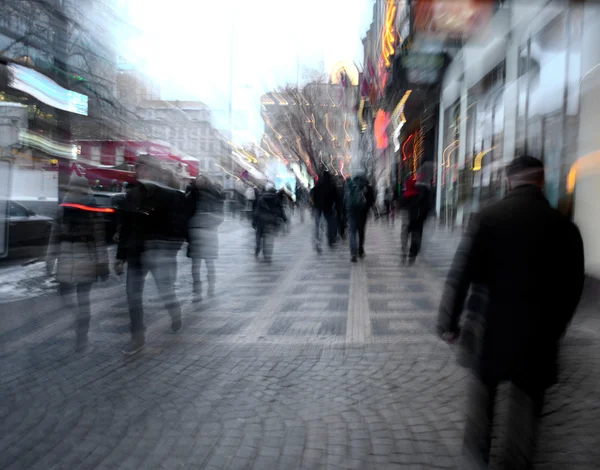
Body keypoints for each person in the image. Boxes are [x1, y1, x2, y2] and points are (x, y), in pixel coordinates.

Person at [437, 156, 585, 469]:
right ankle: (517, 462)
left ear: (508, 181)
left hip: (489, 331)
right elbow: (573, 288)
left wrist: (448, 323)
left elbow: (460, 274)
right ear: (542, 182)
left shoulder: (488, 218)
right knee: (527, 412)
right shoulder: (564, 227)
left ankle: (478, 457)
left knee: (482, 404)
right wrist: (555, 329)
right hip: (538, 337)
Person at [115, 157, 192, 355]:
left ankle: (175, 313)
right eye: (138, 169)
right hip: (136, 252)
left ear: (154, 171)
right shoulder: (132, 194)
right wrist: (120, 256)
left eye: (144, 169)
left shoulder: (170, 196)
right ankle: (137, 337)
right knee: (133, 296)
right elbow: (126, 228)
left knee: (165, 290)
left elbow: (181, 225)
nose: (140, 172)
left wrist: (170, 246)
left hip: (160, 252)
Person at [46, 174, 109, 351]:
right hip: (69, 256)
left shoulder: (89, 208)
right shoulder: (63, 208)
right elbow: (54, 236)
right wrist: (50, 259)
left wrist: (102, 263)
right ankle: (80, 320)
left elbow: (99, 238)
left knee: (81, 298)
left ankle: (81, 333)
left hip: (83, 256)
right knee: (68, 294)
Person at [187, 175, 224, 302]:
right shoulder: (191, 195)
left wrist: (210, 221)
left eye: (201, 181)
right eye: (197, 181)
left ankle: (210, 287)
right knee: (196, 264)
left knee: (209, 262)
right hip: (196, 232)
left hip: (208, 232)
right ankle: (197, 290)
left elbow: (220, 215)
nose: (199, 183)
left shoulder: (213, 195)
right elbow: (185, 213)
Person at [399, 170, 431, 265]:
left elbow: (402, 202)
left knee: (405, 234)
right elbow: (427, 205)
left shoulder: (407, 189)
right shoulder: (422, 190)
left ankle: (404, 252)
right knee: (415, 235)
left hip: (408, 215)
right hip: (416, 216)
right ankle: (412, 253)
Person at [345, 171, 375, 262]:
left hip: (352, 211)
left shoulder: (351, 185)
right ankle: (360, 250)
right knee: (361, 231)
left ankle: (353, 253)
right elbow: (371, 200)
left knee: (352, 232)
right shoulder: (367, 186)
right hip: (363, 212)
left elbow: (345, 198)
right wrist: (368, 208)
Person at [253, 182, 286, 263]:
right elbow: (280, 209)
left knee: (259, 235)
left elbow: (257, 211)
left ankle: (258, 248)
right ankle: (268, 255)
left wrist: (254, 221)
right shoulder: (276, 198)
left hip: (262, 220)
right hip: (272, 220)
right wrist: (284, 218)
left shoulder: (261, 198)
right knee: (269, 238)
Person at [311, 170, 339, 252]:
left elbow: (313, 194)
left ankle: (317, 241)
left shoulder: (318, 185)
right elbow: (336, 197)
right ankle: (330, 240)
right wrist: (337, 207)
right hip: (328, 208)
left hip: (318, 207)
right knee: (330, 224)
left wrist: (315, 204)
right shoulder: (331, 185)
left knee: (318, 224)